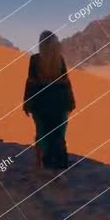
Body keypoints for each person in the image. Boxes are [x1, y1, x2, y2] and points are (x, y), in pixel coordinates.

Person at [23, 30, 76, 170]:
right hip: (59, 104)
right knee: (58, 136)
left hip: (41, 104)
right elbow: (66, 83)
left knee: (41, 134)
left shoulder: (35, 60)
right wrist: (71, 102)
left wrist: (27, 103)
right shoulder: (59, 60)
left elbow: (31, 83)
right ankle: (59, 165)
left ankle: (40, 164)